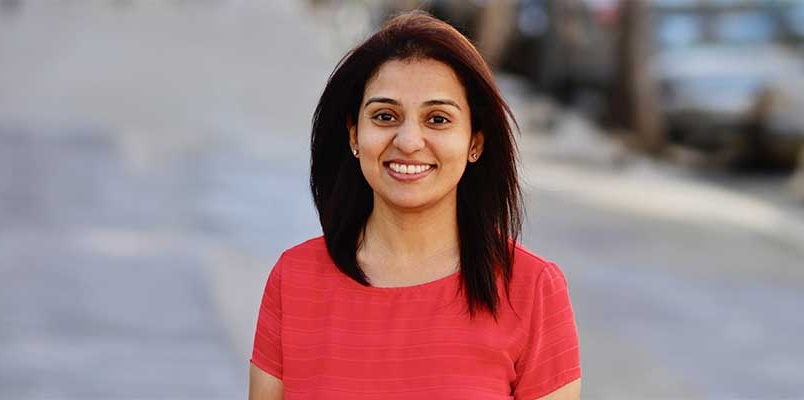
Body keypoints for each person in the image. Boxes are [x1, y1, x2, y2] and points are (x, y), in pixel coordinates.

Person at [249, 11, 581, 400]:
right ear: (355, 134)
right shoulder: (294, 280)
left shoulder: (532, 289)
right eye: (385, 116)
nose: (408, 140)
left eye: (437, 119)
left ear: (475, 142)